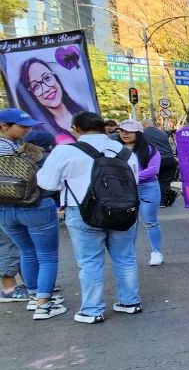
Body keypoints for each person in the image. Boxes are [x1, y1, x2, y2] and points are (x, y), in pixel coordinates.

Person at [37, 111, 142, 323]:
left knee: (90, 262)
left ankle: (92, 310)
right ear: (104, 128)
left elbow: (46, 183)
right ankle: (130, 302)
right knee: (125, 258)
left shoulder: (65, 151)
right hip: (123, 211)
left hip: (82, 211)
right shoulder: (124, 152)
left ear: (76, 129)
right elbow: (135, 181)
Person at [0, 109, 64, 318]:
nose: (27, 129)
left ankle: (34, 297)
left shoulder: (14, 147)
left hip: (6, 209)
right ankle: (44, 304)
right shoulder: (12, 150)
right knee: (47, 256)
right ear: (4, 125)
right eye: (23, 126)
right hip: (34, 206)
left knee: (27, 252)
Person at [116, 120, 164, 266]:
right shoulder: (114, 149)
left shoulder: (150, 149)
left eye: (129, 131)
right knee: (129, 223)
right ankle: (129, 253)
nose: (124, 133)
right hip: (124, 190)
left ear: (138, 133)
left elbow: (153, 170)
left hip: (148, 188)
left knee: (150, 221)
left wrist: (131, 176)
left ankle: (156, 251)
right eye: (122, 130)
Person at [13, 57, 92, 144]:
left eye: (47, 78)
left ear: (56, 77)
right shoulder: (39, 133)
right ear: (32, 95)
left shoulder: (85, 112)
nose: (46, 88)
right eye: (36, 86)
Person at [139, 118, 178, 206]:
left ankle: (153, 200)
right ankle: (163, 201)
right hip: (170, 160)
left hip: (156, 160)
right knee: (165, 182)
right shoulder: (163, 133)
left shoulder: (142, 133)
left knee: (152, 180)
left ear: (143, 125)